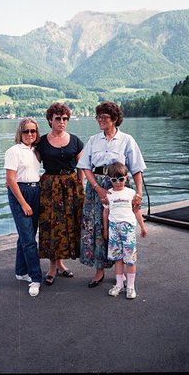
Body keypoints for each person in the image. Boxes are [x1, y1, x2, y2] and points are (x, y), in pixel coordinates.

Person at [76, 101, 146, 288]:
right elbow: (85, 166)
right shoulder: (93, 140)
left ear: (114, 119)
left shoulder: (127, 140)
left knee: (118, 227)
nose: (100, 119)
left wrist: (138, 194)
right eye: (98, 116)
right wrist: (97, 188)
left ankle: (120, 272)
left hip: (119, 187)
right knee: (96, 227)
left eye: (104, 116)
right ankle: (99, 271)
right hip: (95, 188)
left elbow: (137, 169)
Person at [36, 102, 85, 285]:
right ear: (50, 120)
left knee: (67, 225)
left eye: (65, 119)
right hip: (49, 187)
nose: (62, 122)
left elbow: (82, 166)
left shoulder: (75, 140)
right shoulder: (41, 142)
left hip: (71, 187)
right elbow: (34, 166)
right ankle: (52, 267)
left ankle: (62, 264)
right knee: (51, 226)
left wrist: (81, 187)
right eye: (58, 119)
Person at [4, 118, 42, 297]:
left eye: (33, 131)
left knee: (26, 235)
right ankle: (36, 278)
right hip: (21, 193)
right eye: (26, 131)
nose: (29, 134)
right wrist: (24, 203)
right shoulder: (14, 151)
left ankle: (21, 271)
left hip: (36, 190)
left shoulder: (36, 151)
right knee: (29, 240)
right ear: (20, 132)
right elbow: (11, 179)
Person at [103, 162, 147, 299]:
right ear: (109, 179)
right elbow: (105, 213)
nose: (118, 182)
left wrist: (142, 227)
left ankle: (130, 286)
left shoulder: (131, 193)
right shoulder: (108, 194)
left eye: (121, 179)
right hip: (114, 228)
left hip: (128, 229)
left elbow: (136, 211)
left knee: (130, 259)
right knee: (117, 258)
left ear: (126, 178)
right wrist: (105, 229)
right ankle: (119, 284)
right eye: (114, 180)